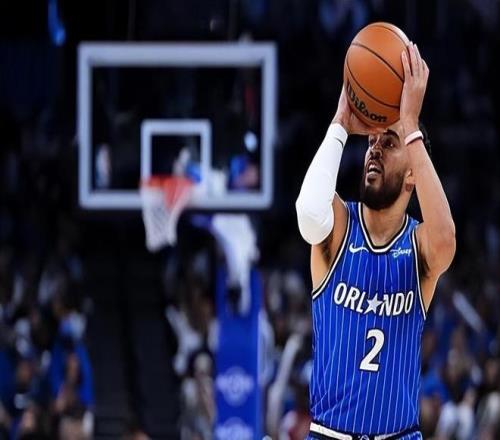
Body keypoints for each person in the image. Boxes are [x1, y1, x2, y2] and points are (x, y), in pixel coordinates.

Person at [295, 43, 456, 439]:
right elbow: (308, 214)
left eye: (390, 142)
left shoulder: (418, 246)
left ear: (413, 173)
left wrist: (411, 125)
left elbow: (446, 241)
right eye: (372, 141)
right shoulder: (339, 223)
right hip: (329, 434)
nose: (375, 149)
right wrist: (340, 123)